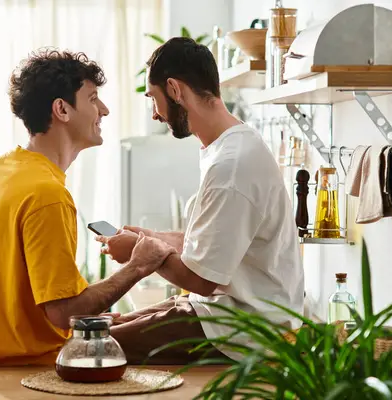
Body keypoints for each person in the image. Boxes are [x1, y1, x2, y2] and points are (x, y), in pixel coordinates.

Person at [0, 49, 176, 367]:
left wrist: (93, 316)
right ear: (62, 109)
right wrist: (138, 266)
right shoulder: (47, 194)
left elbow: (26, 299)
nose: (104, 110)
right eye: (93, 99)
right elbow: (64, 312)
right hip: (20, 376)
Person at [97, 37, 305, 364]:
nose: (155, 114)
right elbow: (212, 243)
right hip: (223, 314)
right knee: (109, 325)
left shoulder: (231, 165)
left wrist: (143, 257)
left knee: (93, 347)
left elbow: (203, 280)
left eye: (154, 99)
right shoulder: (229, 146)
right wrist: (148, 239)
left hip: (242, 331)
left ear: (175, 90)